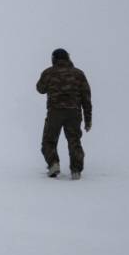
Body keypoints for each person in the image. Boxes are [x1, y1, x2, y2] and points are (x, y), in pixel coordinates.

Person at [36, 48, 92, 180]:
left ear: (53, 59)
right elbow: (86, 98)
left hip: (55, 112)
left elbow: (40, 89)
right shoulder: (78, 74)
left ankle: (53, 164)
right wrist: (88, 119)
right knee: (74, 140)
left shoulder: (49, 72)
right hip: (74, 113)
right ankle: (76, 170)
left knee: (49, 140)